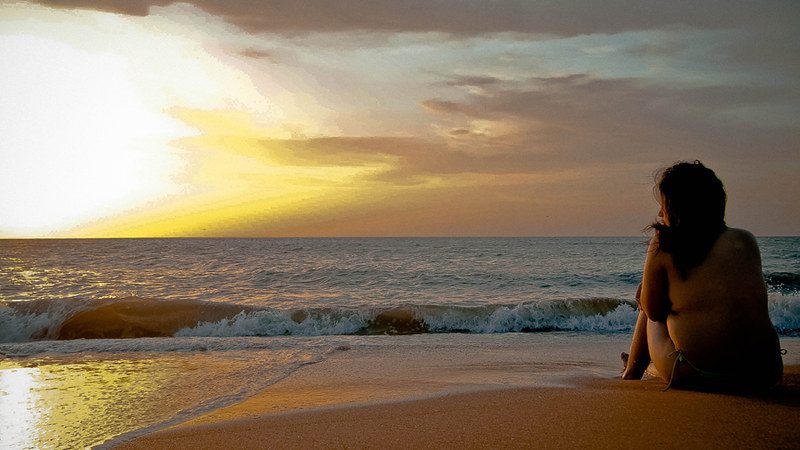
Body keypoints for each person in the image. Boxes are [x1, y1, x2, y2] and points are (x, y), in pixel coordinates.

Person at [621, 160, 783, 390]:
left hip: (699, 376)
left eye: (663, 205)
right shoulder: (745, 240)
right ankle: (646, 367)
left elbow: (653, 311)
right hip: (763, 374)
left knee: (646, 296)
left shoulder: (664, 244)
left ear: (677, 208)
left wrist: (647, 293)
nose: (659, 212)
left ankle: (631, 372)